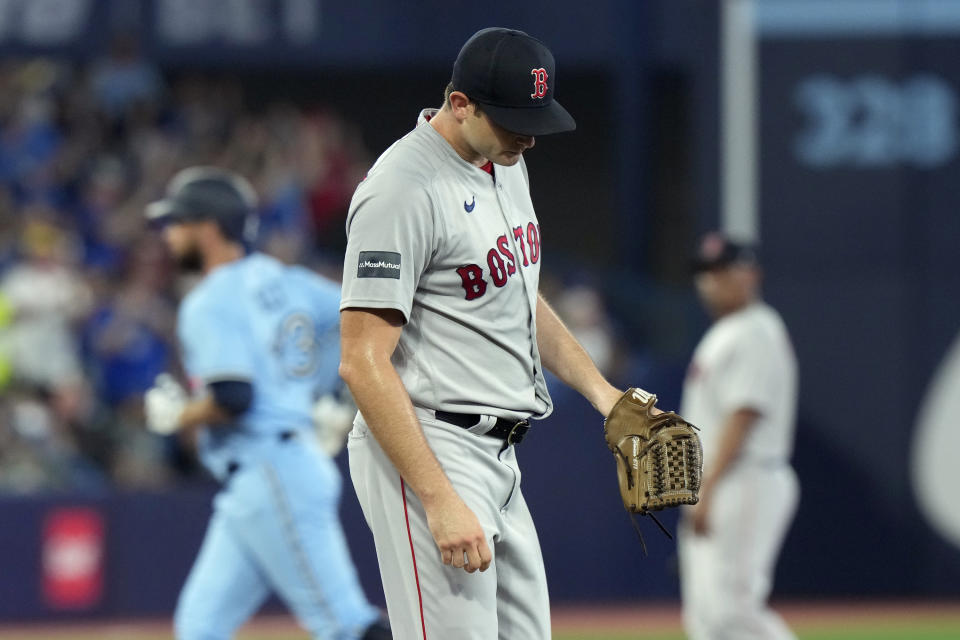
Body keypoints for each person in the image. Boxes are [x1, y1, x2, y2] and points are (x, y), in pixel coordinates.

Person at [338, 27, 657, 639]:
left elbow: (519, 295)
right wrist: (436, 497)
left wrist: (603, 394)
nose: (528, 136)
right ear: (460, 105)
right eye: (512, 120)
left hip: (502, 456)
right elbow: (361, 361)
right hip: (431, 443)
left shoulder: (503, 162)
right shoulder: (399, 192)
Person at [142, 167, 390, 640]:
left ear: (208, 227)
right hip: (270, 470)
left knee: (347, 626)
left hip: (271, 468)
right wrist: (328, 393)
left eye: (178, 222)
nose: (169, 234)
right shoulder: (289, 280)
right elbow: (367, 321)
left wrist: (180, 413)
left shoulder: (208, 301)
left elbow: (234, 397)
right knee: (199, 627)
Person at [678, 232, 800, 640]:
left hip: (745, 476)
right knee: (708, 618)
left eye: (722, 271)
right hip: (724, 479)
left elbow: (743, 415)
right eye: (706, 274)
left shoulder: (755, 330)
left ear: (751, 274)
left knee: (733, 611)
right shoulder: (727, 332)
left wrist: (708, 488)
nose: (711, 282)